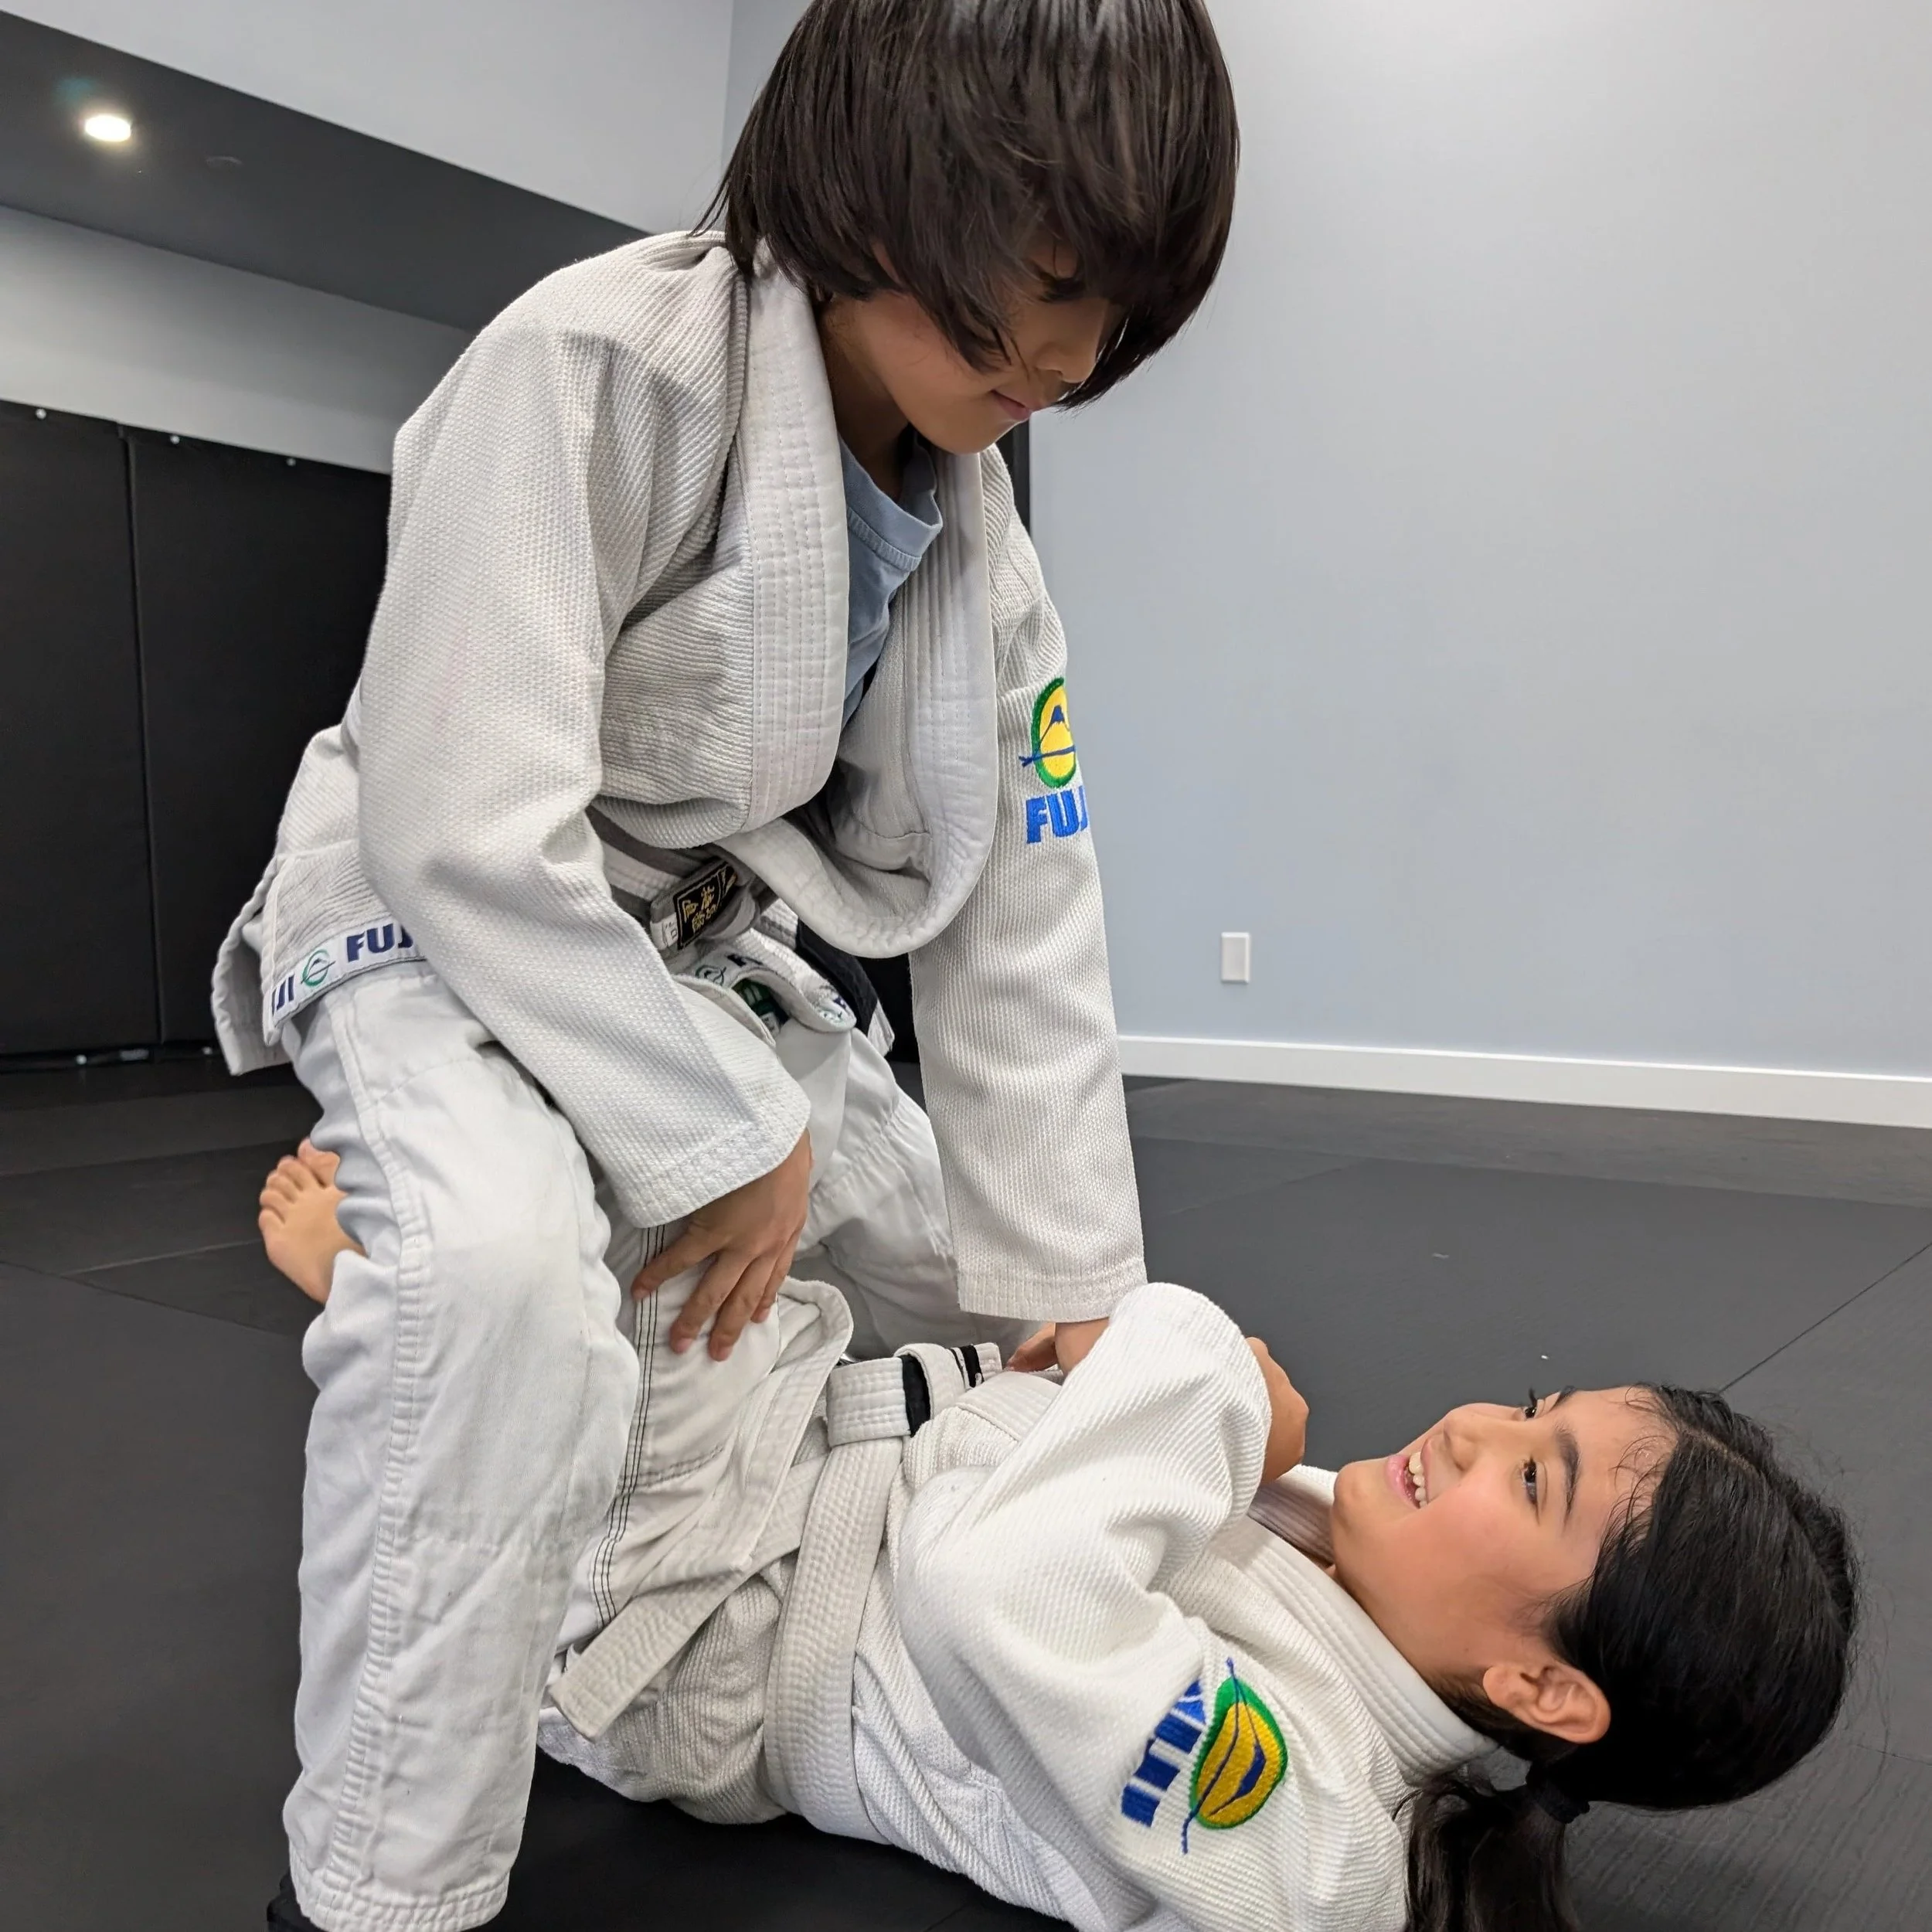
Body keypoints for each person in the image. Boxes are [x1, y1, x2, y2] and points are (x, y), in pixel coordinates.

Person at [217, 5, 1240, 1927]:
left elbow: (1028, 902)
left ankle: (460, 1317)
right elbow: (459, 819)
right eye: (1002, 319)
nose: (1050, 365)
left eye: (1092, 326)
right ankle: (368, 1883)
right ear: (868, 203)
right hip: (437, 916)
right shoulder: (591, 365)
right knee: (509, 1290)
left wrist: (1081, 1294)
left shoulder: (977, 535)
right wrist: (715, 1135)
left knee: (992, 1289)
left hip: (690, 949)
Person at [260, 1160, 1861, 1932]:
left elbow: (993, 1595)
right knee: (816, 1124)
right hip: (825, 1464)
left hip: (700, 1631)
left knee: (549, 1258)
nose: (1467, 1428)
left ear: (1541, 1681)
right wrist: (1041, 1394)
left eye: (1533, 1479)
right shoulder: (1344, 1574)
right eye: (1527, 1413)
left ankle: (405, 1325)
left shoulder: (1311, 1844)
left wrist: (1205, 1369)